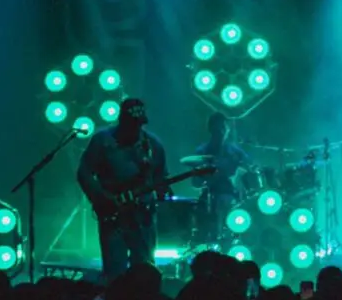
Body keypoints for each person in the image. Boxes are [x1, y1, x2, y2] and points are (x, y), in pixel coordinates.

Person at [76, 97, 170, 282]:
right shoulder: (103, 141)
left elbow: (161, 178)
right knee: (114, 271)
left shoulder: (153, 145)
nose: (136, 129)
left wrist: (162, 189)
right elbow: (84, 174)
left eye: (139, 124)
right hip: (113, 216)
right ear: (122, 120)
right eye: (131, 124)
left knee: (144, 270)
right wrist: (102, 198)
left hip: (143, 217)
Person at [193, 112, 250, 238]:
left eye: (224, 127)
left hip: (231, 197)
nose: (222, 131)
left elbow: (249, 168)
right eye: (218, 128)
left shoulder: (235, 151)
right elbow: (195, 182)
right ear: (211, 129)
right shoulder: (202, 151)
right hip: (209, 197)